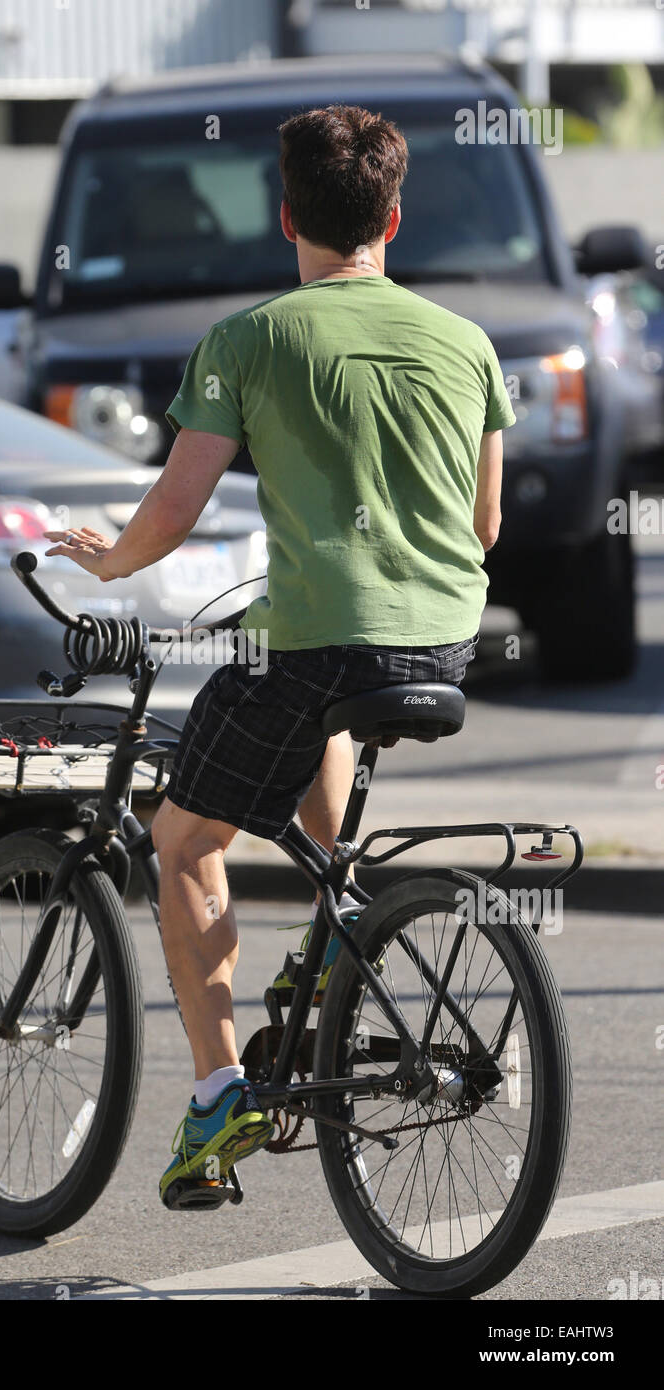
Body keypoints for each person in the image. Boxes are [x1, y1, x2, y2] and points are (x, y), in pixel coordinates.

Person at [43, 104, 516, 1206]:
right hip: (442, 640)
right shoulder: (468, 343)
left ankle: (217, 1101)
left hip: (318, 642)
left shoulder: (250, 338)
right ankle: (338, 929)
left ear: (286, 216)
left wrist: (111, 566)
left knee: (180, 840)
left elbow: (172, 507)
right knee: (326, 697)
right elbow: (485, 525)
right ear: (392, 218)